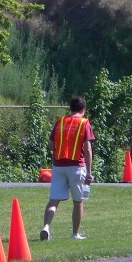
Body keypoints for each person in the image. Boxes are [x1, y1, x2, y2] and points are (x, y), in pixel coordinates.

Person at [40, 96, 95, 241]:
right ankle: (75, 234)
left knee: (54, 201)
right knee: (78, 201)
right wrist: (89, 173)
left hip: (58, 166)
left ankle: (46, 226)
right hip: (76, 166)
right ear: (83, 109)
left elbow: (50, 146)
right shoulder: (84, 123)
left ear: (70, 108)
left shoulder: (60, 122)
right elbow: (87, 149)